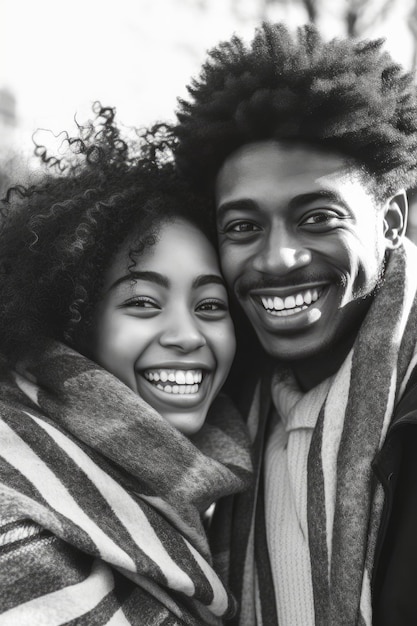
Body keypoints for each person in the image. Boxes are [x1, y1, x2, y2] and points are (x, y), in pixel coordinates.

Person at [172, 22, 417, 626]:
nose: (277, 258)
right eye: (243, 227)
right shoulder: (215, 409)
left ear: (390, 223)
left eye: (318, 217)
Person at [0, 106, 252, 625]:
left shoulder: (229, 489)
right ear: (75, 324)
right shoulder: (15, 493)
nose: (187, 335)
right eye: (142, 303)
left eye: (210, 305)